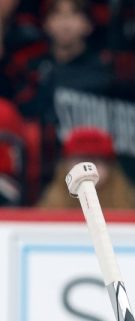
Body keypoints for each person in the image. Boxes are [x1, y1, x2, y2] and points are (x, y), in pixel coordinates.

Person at [15, 0, 111, 187]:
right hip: (44, 169)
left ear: (88, 24)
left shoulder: (103, 72)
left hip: (92, 168)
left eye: (74, 15)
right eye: (57, 15)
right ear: (46, 23)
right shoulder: (33, 69)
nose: (65, 23)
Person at [37, 126, 135, 209]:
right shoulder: (50, 202)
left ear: (110, 167)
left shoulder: (130, 202)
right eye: (79, 160)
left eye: (95, 161)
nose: (85, 168)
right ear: (66, 164)